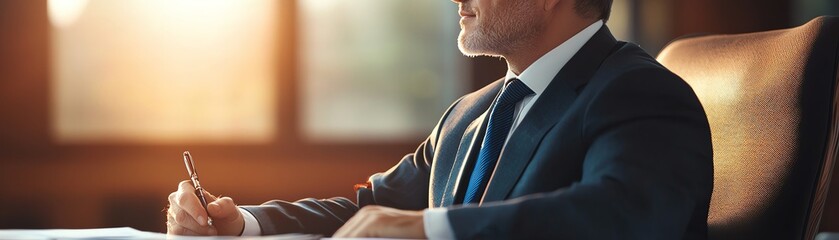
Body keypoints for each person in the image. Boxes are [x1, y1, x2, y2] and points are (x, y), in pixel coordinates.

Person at [166, 0, 714, 239]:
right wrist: (242, 224)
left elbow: (624, 220)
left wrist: (431, 229)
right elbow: (370, 211)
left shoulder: (637, 91)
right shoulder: (468, 113)